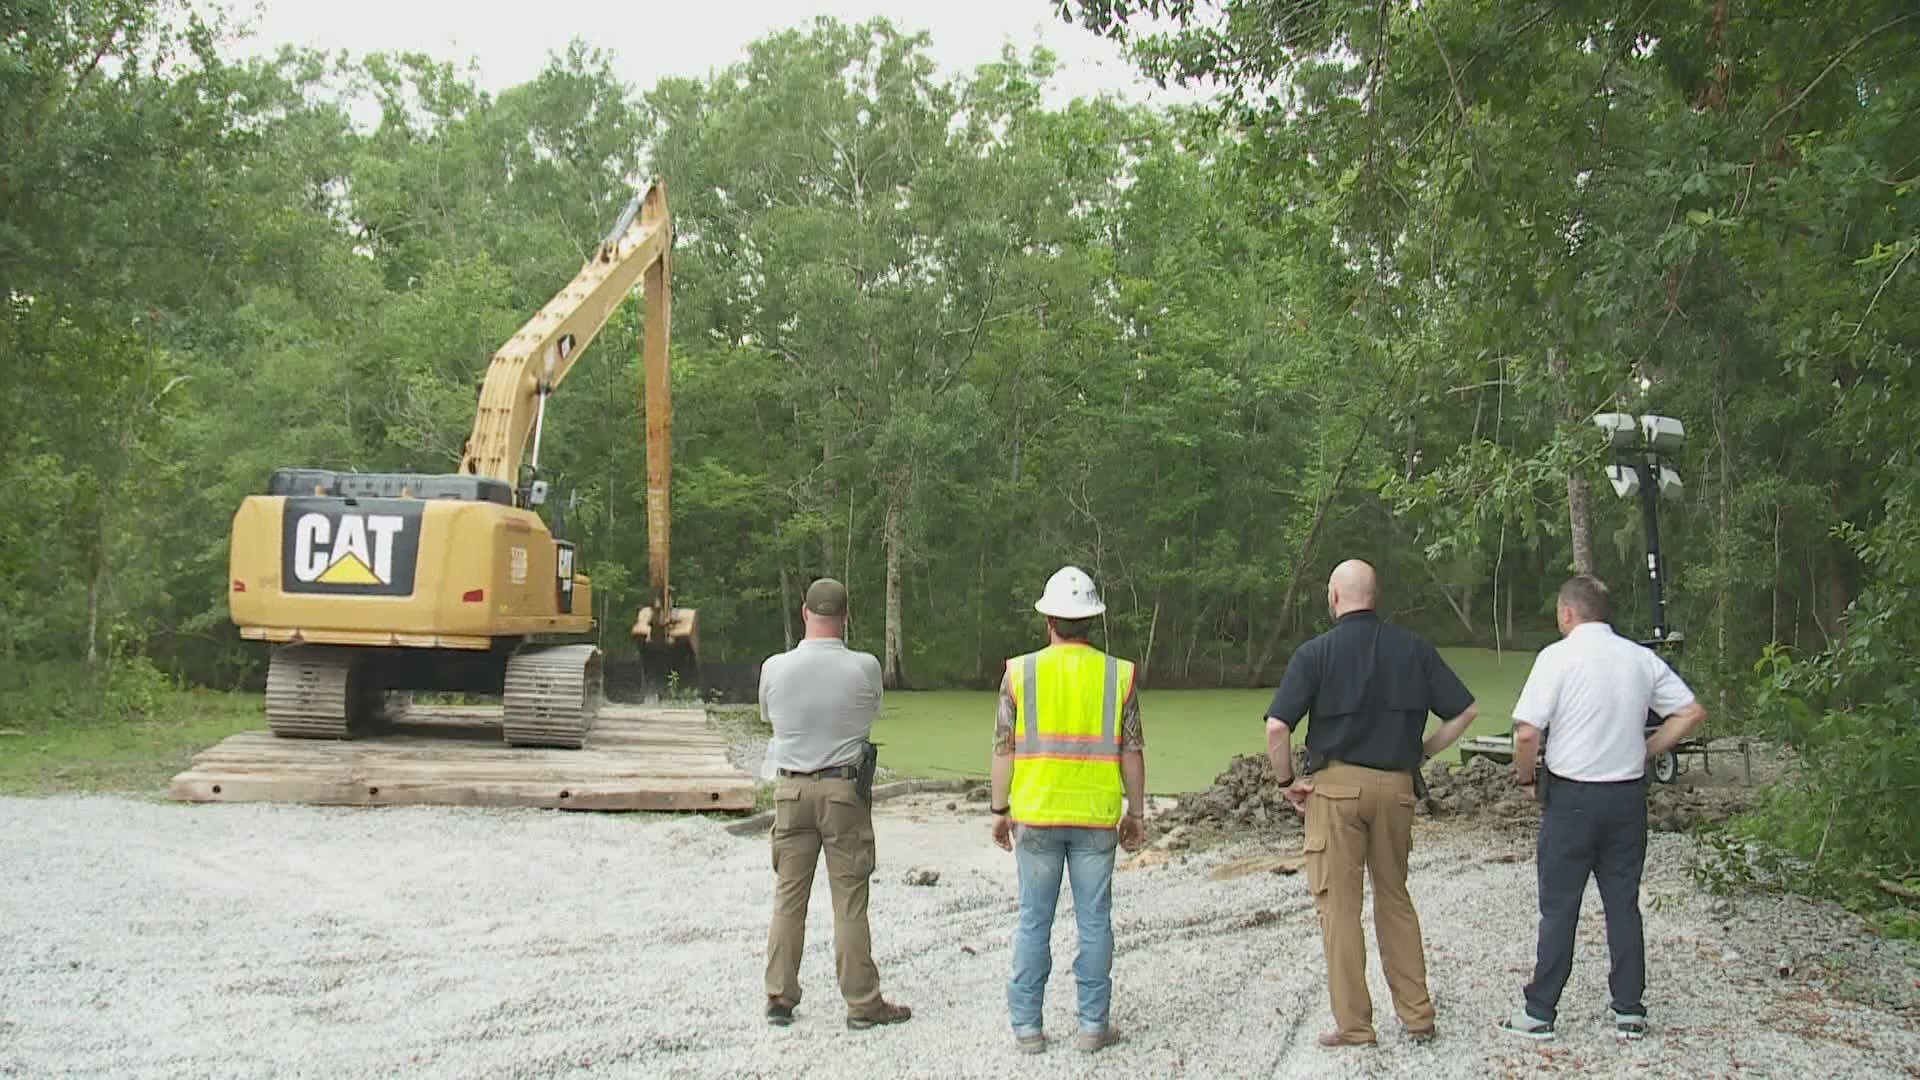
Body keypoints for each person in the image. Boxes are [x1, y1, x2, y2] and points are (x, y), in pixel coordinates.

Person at [1265, 559, 1480, 1048]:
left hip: (1334, 792)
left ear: (1334, 598)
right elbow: (1466, 710)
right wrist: (1421, 751)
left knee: (1339, 908)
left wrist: (1286, 781)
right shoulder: (1414, 649)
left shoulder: (1314, 653)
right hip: (1397, 789)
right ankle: (1417, 1016)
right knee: (1394, 897)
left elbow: (1278, 727)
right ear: (1375, 596)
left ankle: (1356, 1026)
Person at [1499, 574, 1704, 1042]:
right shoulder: (1639, 658)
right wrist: (1648, 750)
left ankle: (1541, 1009)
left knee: (1559, 906)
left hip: (1572, 797)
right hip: (1626, 795)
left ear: (1568, 613)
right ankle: (1629, 1008)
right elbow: (1690, 711)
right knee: (1622, 903)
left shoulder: (1557, 657)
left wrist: (1527, 778)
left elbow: (1527, 732)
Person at [988, 566, 1148, 1055]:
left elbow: (1003, 749)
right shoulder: (1118, 674)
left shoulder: (1020, 672)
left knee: (1034, 920)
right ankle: (1093, 1025)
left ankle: (1027, 1029)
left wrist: (999, 809)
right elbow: (1133, 751)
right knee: (1094, 921)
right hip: (1096, 819)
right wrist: (1135, 813)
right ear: (1092, 622)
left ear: (1048, 621)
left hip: (1035, 814)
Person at [760, 578, 912, 1031]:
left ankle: (779, 997)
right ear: (846, 618)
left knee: (789, 898)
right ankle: (862, 1002)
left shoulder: (774, 667)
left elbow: (767, 716)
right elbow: (872, 713)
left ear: (805, 614)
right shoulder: (864, 667)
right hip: (844, 793)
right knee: (849, 900)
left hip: (790, 791)